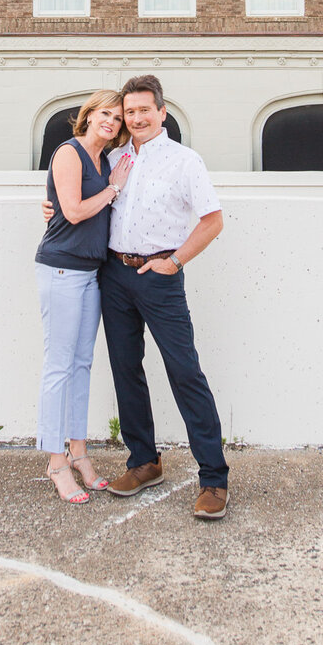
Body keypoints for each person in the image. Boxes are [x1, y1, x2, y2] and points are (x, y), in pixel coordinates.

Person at [101, 75, 229, 521]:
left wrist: (174, 262)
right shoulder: (115, 158)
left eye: (143, 110)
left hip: (160, 276)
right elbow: (88, 200)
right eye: (129, 112)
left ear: (162, 112)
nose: (135, 118)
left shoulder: (184, 161)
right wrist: (51, 207)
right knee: (125, 369)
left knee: (184, 371)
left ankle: (213, 478)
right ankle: (144, 462)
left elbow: (212, 221)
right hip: (114, 275)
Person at [35, 91, 133, 505]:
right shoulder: (69, 153)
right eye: (104, 113)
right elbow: (73, 212)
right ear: (88, 116)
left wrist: (109, 186)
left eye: (118, 118)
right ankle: (56, 462)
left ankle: (79, 453)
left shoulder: (106, 161)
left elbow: (68, 207)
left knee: (81, 365)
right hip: (61, 269)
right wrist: (111, 191)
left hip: (92, 273)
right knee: (59, 366)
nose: (111, 121)